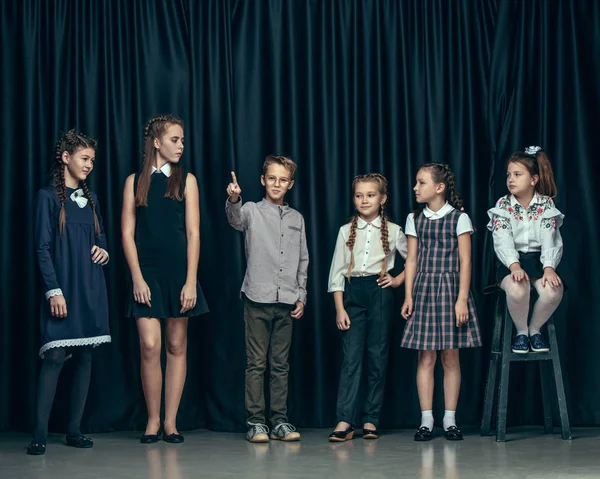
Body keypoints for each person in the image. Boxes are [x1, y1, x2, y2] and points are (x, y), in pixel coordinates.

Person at [122, 115, 208, 444]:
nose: (181, 146)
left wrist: (190, 281)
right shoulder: (135, 181)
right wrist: (137, 278)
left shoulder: (187, 181)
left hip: (178, 274)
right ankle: (151, 421)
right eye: (175, 140)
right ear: (157, 142)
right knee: (149, 345)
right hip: (147, 274)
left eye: (183, 140)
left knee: (175, 345)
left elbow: (193, 233)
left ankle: (170, 423)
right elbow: (127, 233)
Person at [28, 129, 111, 455]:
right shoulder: (47, 198)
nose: (89, 164)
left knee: (86, 355)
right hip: (65, 286)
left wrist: (103, 250)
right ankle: (39, 433)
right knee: (55, 356)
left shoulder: (90, 200)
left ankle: (74, 430)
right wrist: (54, 290)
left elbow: (100, 237)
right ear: (66, 157)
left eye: (92, 159)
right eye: (84, 158)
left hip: (90, 286)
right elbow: (42, 248)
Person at [225, 155, 309, 443]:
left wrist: (302, 295)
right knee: (257, 363)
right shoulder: (251, 210)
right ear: (263, 180)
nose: (277, 183)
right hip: (257, 298)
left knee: (280, 365)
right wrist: (234, 199)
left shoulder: (297, 218)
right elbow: (235, 221)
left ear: (290, 184)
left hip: (287, 300)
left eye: (282, 180)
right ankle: (256, 422)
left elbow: (303, 259)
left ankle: (280, 421)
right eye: (271, 178)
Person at [401, 163, 481, 441]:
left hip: (450, 290)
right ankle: (426, 420)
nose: (415, 188)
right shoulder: (415, 218)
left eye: (421, 183)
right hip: (424, 289)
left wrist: (461, 300)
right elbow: (411, 260)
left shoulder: (459, 218)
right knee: (425, 357)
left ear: (439, 187)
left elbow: (465, 261)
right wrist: (408, 295)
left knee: (450, 356)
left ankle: (449, 420)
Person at [327, 173, 407, 442]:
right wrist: (340, 308)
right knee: (351, 359)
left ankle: (371, 419)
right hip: (353, 293)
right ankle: (345, 419)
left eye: (370, 195)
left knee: (377, 356)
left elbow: (416, 260)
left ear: (382, 199)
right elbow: (336, 272)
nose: (364, 200)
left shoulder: (394, 231)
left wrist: (397, 280)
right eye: (359, 195)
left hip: (380, 293)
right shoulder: (345, 230)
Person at [487, 146, 564, 354]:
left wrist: (549, 267)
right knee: (518, 289)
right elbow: (502, 239)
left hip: (539, 261)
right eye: (509, 175)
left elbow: (550, 239)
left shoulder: (546, 204)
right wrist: (514, 265)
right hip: (511, 262)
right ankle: (521, 332)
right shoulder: (503, 204)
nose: (511, 179)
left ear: (534, 179)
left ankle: (534, 330)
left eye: (517, 174)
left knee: (553, 291)